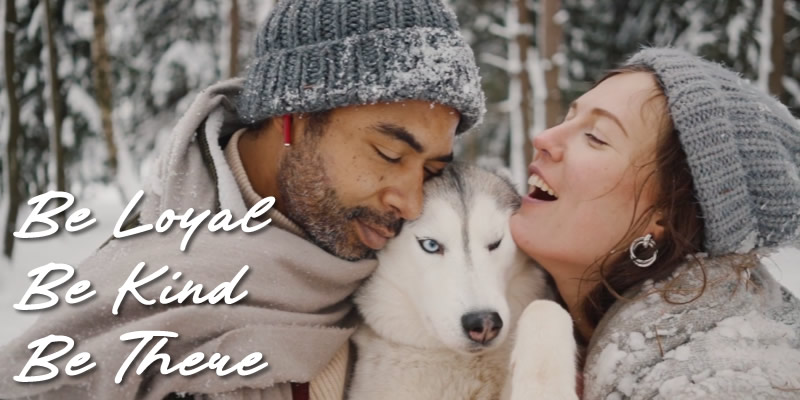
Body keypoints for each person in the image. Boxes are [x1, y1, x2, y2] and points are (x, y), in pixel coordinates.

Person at [0, 1, 484, 400]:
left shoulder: (418, 260)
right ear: (292, 116)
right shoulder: (138, 294)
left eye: (433, 170)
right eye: (388, 153)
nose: (412, 203)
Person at [510, 47, 800, 399]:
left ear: (664, 213)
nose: (543, 139)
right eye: (567, 117)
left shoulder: (713, 383)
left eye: (596, 137)